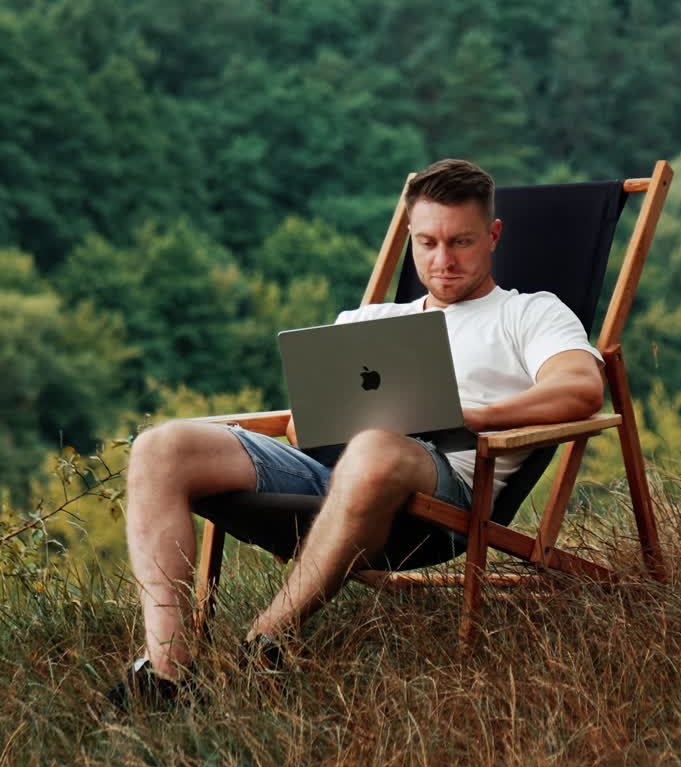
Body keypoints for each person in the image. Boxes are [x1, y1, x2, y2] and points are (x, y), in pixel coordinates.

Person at [110, 159, 604, 706]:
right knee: (159, 446)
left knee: (374, 445)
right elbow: (301, 429)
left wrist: (472, 415)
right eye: (428, 242)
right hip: (329, 472)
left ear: (493, 236)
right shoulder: (369, 321)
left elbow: (581, 389)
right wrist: (322, 412)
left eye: (461, 242)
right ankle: (168, 673)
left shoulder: (529, 314)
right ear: (411, 237)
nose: (442, 261)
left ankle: (263, 644)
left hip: (440, 494)